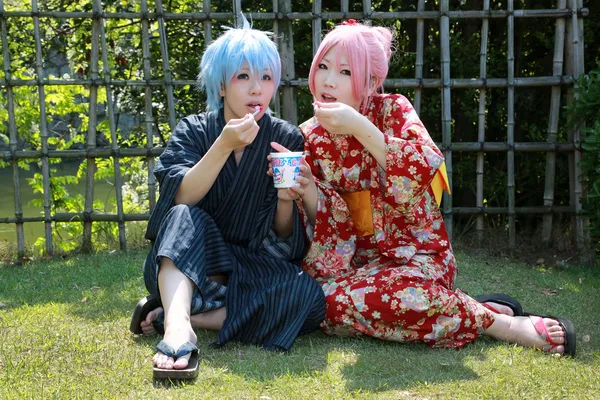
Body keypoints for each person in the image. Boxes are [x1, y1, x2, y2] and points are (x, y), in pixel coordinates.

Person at [280, 19, 575, 356]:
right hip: (355, 268)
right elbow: (325, 224)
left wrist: (359, 126)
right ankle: (467, 308)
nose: (329, 81)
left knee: (399, 292)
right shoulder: (309, 136)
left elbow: (423, 165)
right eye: (323, 67)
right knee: (321, 304)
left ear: (371, 81)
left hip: (416, 257)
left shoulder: (394, 109)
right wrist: (306, 191)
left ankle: (503, 325)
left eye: (345, 72)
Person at [132, 17, 326, 379]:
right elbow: (181, 198)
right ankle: (177, 331)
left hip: (249, 267)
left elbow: (283, 237)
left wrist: (287, 199)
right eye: (243, 77)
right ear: (221, 85)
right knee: (182, 215)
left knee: (308, 299)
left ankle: (182, 316)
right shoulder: (193, 131)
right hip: (189, 263)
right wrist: (222, 145)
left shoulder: (284, 137)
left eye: (266, 78)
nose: (257, 89)